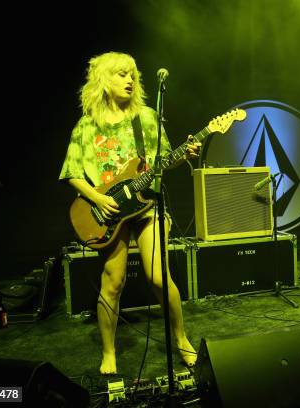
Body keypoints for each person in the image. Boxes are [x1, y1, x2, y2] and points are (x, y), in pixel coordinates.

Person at [59, 52, 200, 373]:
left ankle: (181, 339)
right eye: (122, 74)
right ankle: (108, 353)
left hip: (148, 204)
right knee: (113, 281)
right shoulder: (87, 126)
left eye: (132, 75)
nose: (130, 80)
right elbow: (72, 173)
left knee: (158, 276)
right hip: (107, 211)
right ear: (103, 81)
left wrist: (185, 153)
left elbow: (164, 160)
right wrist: (97, 197)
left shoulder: (147, 118)